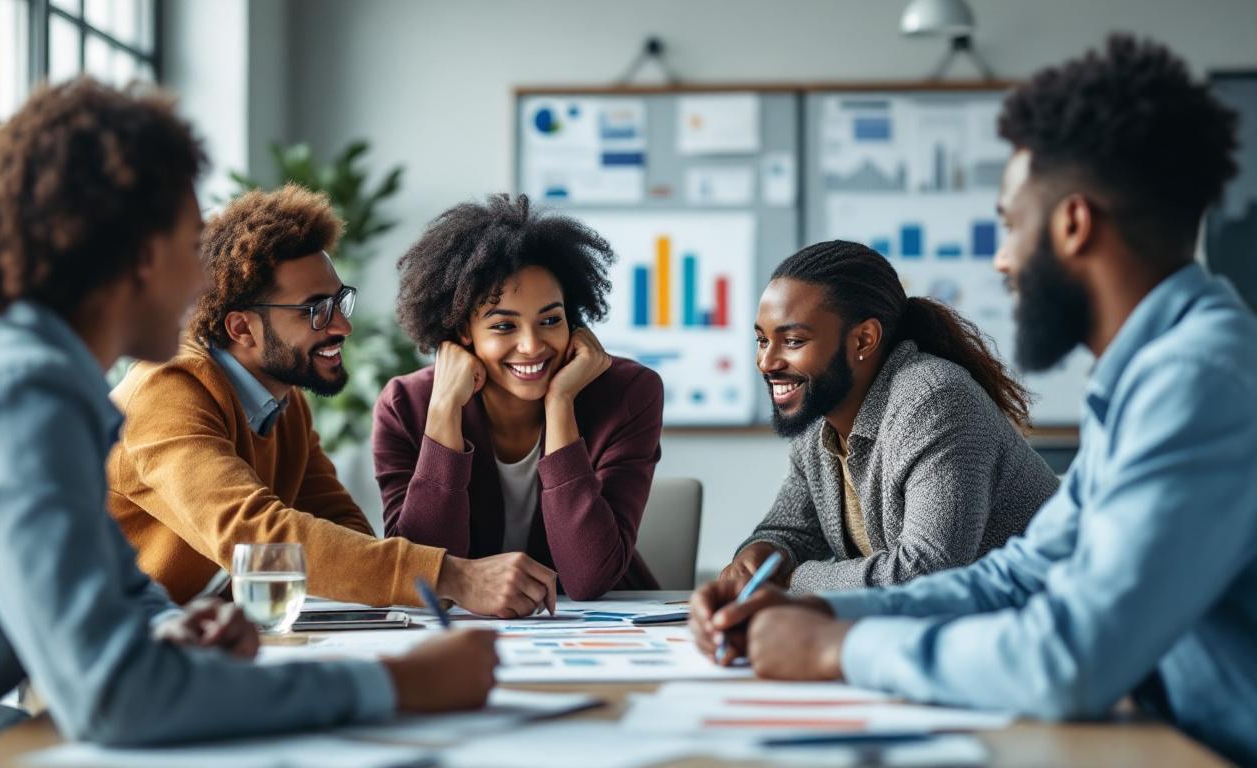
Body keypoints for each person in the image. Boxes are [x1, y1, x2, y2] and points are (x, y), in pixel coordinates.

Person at [690, 36, 1257, 765]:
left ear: (1073, 224)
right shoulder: (1150, 376)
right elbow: (1019, 573)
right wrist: (819, 608)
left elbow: (1068, 660)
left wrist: (842, 646)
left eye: (1010, 223)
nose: (1001, 258)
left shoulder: (1200, 382)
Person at [0, 79, 495, 758]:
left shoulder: (32, 377)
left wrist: (165, 631)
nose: (201, 286)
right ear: (137, 253)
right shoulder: (22, 397)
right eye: (192, 247)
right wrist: (394, 685)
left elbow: (122, 590)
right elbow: (117, 696)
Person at [108, 184, 557, 618]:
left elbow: (343, 528)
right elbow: (255, 535)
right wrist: (452, 577)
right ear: (242, 329)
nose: (342, 326)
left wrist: (402, 580)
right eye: (316, 310)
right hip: (89, 661)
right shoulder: (166, 390)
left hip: (185, 640)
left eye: (340, 302)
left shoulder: (283, 405)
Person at [721, 241, 1057, 593]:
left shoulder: (934, 401)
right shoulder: (821, 418)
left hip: (1051, 623)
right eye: (762, 341)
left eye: (792, 341)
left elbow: (928, 572)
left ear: (864, 340)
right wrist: (760, 557)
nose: (766, 362)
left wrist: (791, 580)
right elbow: (791, 532)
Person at [373, 194, 662, 600]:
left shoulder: (628, 392)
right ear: (462, 333)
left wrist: (561, 401)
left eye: (550, 320)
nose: (531, 345)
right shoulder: (406, 406)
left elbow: (588, 577)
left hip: (596, 630)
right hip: (463, 633)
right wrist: (443, 412)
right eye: (504, 326)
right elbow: (425, 580)